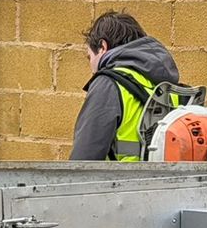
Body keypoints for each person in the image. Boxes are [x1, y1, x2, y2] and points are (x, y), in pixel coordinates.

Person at [69, 10, 182, 161]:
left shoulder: (109, 83)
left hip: (123, 182)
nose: (91, 67)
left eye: (90, 57)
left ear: (102, 47)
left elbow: (85, 157)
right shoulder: (170, 87)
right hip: (167, 182)